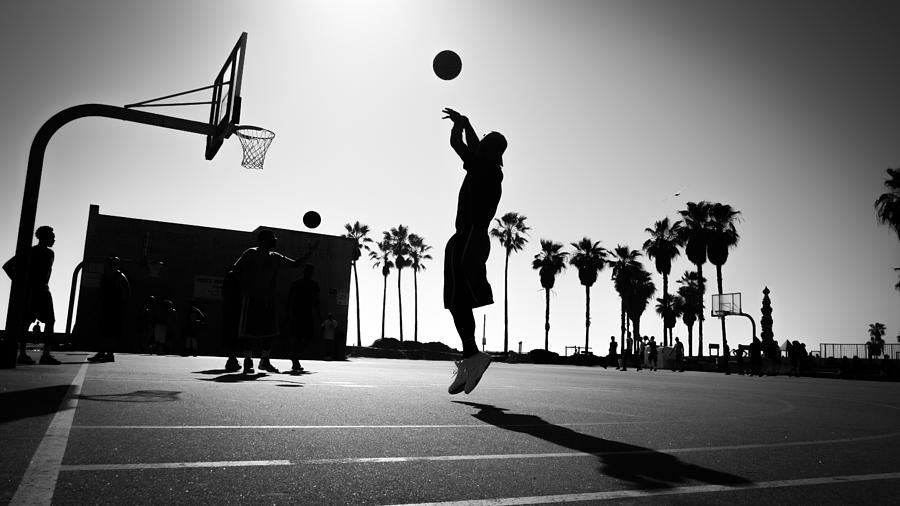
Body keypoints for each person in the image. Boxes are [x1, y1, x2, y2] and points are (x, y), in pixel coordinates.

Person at [441, 107, 507, 395]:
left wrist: (464, 125)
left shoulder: (487, 169)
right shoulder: (485, 166)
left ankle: (472, 356)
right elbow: (466, 145)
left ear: (489, 149)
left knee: (462, 297)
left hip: (472, 237)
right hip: (465, 237)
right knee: (456, 300)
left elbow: (463, 145)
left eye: (484, 141)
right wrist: (466, 125)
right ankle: (471, 355)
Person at [232, 229, 318, 374]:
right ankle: (248, 360)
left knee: (270, 333)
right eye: (272, 238)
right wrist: (245, 287)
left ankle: (264, 361)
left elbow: (295, 264)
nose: (275, 240)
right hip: (252, 298)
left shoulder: (275, 257)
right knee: (249, 332)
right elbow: (236, 269)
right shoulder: (251, 253)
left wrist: (310, 252)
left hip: (268, 299)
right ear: (264, 239)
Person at [2, 225, 61, 365]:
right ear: (44, 237)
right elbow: (7, 266)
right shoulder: (30, 251)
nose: (54, 239)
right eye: (52, 237)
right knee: (26, 323)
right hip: (32, 292)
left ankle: (45, 355)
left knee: (50, 321)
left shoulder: (50, 253)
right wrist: (21, 284)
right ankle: (22, 354)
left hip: (45, 291)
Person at [89, 257, 129, 363]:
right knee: (103, 331)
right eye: (110, 263)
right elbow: (101, 293)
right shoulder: (105, 277)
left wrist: (121, 309)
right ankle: (102, 352)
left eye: (113, 263)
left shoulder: (120, 277)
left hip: (114, 308)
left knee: (111, 332)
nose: (111, 265)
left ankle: (110, 354)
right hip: (105, 307)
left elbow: (125, 294)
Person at [288, 264, 322, 372]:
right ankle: (295, 358)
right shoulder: (311, 284)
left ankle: (295, 357)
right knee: (306, 337)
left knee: (302, 338)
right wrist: (319, 317)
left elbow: (290, 300)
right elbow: (315, 301)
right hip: (304, 314)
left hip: (299, 313)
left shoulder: (298, 283)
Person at [222, 268, 242, 372]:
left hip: (229, 308)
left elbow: (224, 291)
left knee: (230, 334)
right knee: (235, 334)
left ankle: (232, 358)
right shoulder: (242, 276)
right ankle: (232, 359)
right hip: (238, 308)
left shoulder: (229, 276)